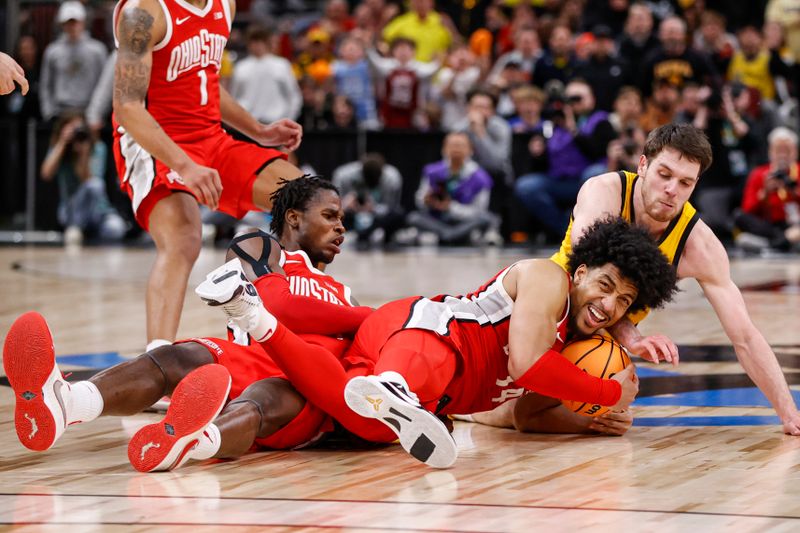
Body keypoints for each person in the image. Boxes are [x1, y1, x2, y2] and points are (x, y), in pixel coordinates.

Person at [201, 217, 678, 467]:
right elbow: (529, 365)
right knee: (406, 381)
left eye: (624, 300)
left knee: (364, 422)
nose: (610, 304)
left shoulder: (572, 350)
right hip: (424, 330)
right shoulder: (547, 279)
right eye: (605, 285)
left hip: (429, 392)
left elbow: (528, 416)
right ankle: (393, 389)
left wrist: (589, 423)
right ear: (580, 272)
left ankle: (255, 319)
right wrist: (609, 393)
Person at [3, 177, 385, 470]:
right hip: (250, 358)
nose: (341, 229)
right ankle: (66, 405)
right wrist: (370, 316)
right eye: (331, 216)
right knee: (177, 355)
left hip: (304, 383)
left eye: (342, 220)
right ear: (294, 217)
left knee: (270, 393)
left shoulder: (344, 293)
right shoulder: (261, 248)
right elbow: (277, 305)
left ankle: (195, 440)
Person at [548, 122, 800, 435]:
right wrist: (633, 339)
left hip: (593, 346)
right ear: (643, 165)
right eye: (664, 175)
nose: (672, 190)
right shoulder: (604, 193)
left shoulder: (698, 244)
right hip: (545, 319)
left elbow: (745, 338)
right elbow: (590, 292)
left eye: (685, 183)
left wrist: (789, 413)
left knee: (609, 422)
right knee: (515, 412)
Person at [111, 0, 306, 351]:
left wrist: (258, 131)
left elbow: (206, 80)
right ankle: (158, 363)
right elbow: (127, 107)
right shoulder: (142, 12)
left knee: (304, 198)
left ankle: (305, 332)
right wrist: (185, 165)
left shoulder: (224, 5)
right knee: (184, 237)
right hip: (153, 140)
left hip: (210, 137)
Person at [40, 112, 127, 244]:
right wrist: (62, 143)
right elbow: (46, 174)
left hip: (98, 210)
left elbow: (90, 181)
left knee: (116, 229)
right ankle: (77, 228)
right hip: (71, 210)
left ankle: (85, 233)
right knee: (94, 186)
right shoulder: (60, 149)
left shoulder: (97, 148)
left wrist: (83, 155)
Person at [406, 132, 500, 245]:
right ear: (444, 149)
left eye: (460, 145)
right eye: (452, 145)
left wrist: (450, 207)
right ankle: (453, 235)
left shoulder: (481, 177)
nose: (456, 149)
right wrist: (426, 201)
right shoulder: (431, 171)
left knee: (486, 218)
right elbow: (420, 200)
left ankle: (446, 235)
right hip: (437, 219)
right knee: (413, 217)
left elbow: (479, 211)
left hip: (464, 221)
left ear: (471, 150)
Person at [734, 127, 800, 252]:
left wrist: (794, 191)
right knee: (739, 217)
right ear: (770, 152)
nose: (783, 155)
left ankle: (772, 244)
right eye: (778, 150)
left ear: (795, 152)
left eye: (787, 150)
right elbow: (747, 210)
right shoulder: (759, 173)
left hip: (795, 224)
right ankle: (782, 242)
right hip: (770, 227)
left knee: (745, 239)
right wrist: (765, 193)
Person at [39, 1, 108, 121]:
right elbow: (46, 84)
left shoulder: (97, 50)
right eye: (68, 23)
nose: (72, 26)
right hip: (60, 112)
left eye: (75, 22)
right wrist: (48, 112)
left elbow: (104, 85)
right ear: (62, 24)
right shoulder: (53, 51)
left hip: (88, 112)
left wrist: (98, 113)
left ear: (83, 22)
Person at [332, 153, 405, 249]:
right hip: (350, 215)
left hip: (378, 219)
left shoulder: (392, 178)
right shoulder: (343, 175)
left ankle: (365, 235)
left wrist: (373, 208)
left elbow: (392, 207)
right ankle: (358, 234)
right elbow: (334, 205)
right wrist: (346, 204)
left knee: (398, 215)